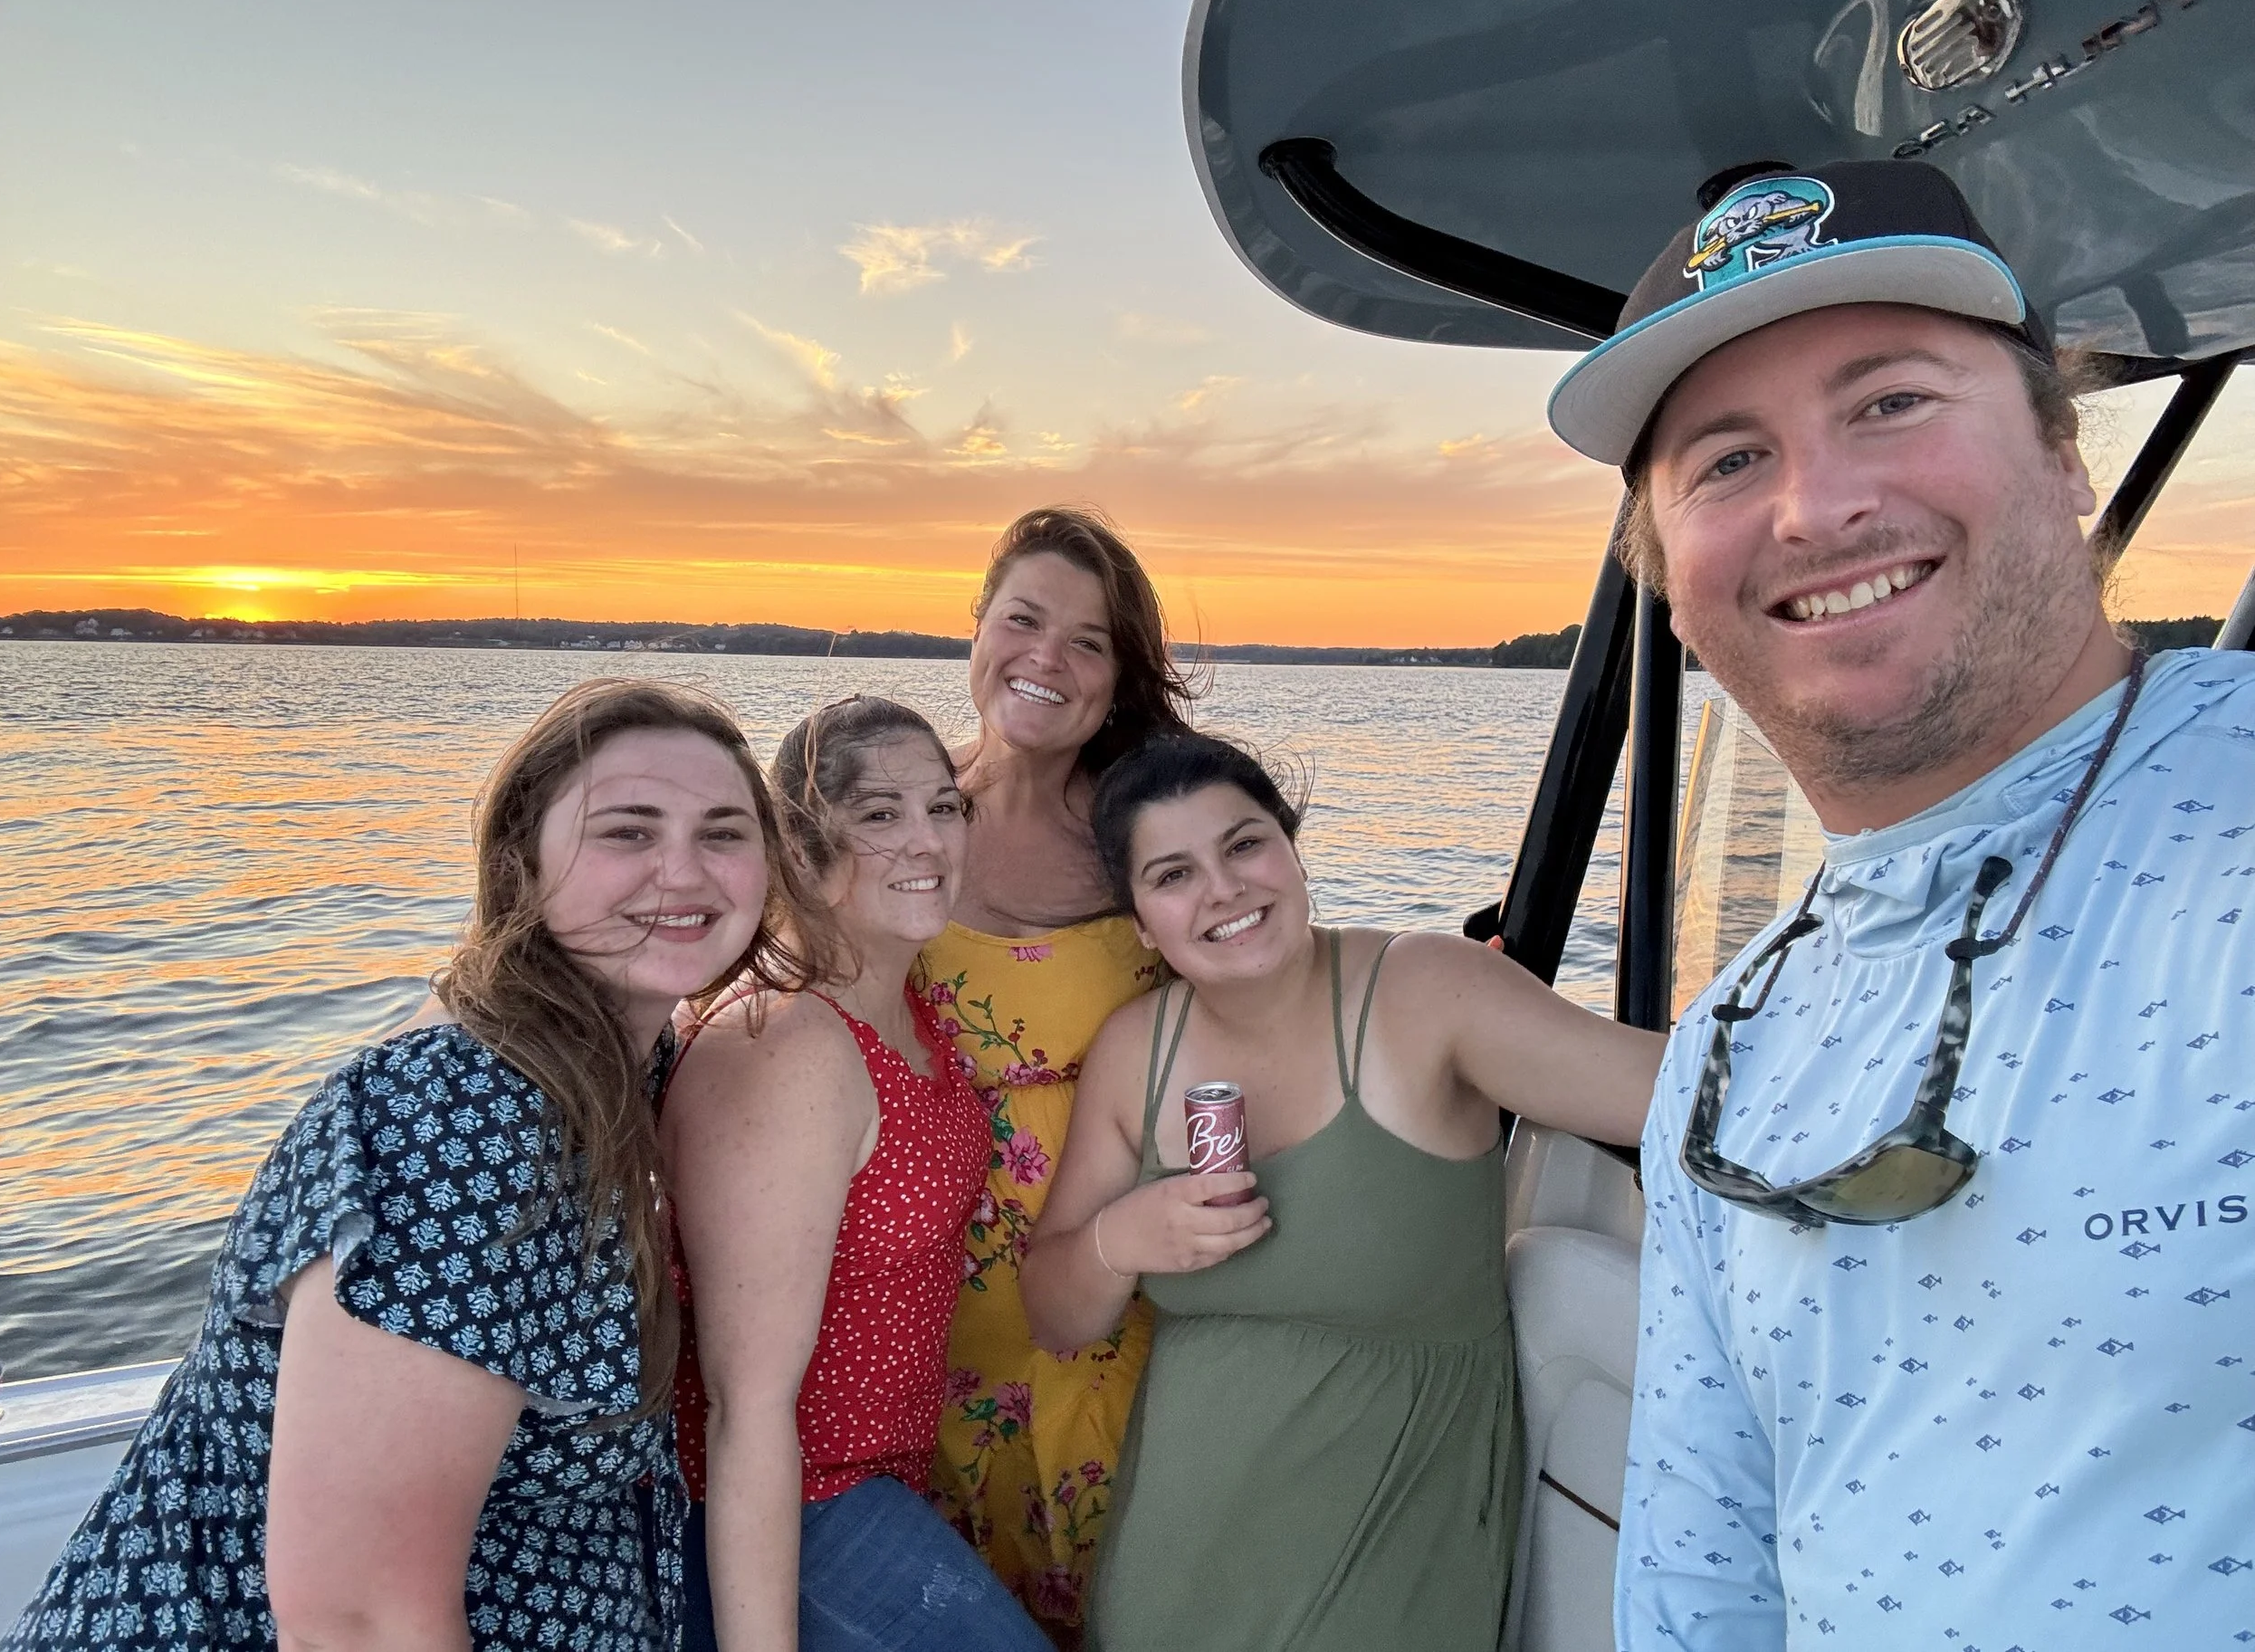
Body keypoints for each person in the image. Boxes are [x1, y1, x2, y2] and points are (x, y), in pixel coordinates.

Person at [1539, 158, 2255, 1646]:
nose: (1817, 505)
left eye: (1891, 403)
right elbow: (1701, 1579)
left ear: (2066, 462)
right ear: (1672, 584)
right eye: (1727, 462)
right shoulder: (1726, 1053)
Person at [0, 677, 818, 1651]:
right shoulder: (457, 1119)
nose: (682, 873)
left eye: (723, 833)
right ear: (524, 866)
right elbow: (357, 1623)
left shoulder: (617, 1069)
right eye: (626, 833)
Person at [1018, 732, 1661, 1651]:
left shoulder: (1421, 990)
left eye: (1244, 844)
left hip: (1391, 1541)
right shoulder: (1137, 1050)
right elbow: (1055, 1317)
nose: (1224, 890)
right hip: (1179, 1564)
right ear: (1137, 923)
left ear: (1289, 845)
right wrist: (1121, 1241)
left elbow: (1679, 1095)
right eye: (1172, 875)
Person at [660, 696, 1049, 1652]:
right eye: (880, 816)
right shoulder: (787, 1040)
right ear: (802, 847)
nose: (926, 841)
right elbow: (742, 1410)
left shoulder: (907, 1001)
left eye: (944, 807)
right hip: (796, 1505)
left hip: (883, 1480)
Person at [916, 506, 1196, 1642]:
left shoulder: (1149, 834)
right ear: (976, 626)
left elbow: (1261, 986)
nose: (1046, 657)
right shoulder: (885, 809)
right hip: (911, 1324)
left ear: (1119, 677)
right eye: (1023, 619)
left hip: (1105, 1318)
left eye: (1088, 641)